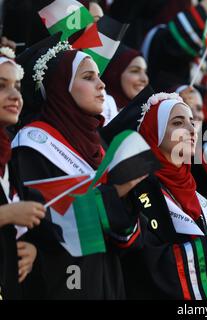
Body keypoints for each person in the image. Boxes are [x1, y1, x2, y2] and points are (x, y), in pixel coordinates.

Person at [11, 36, 145, 299]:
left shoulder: (100, 144)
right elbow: (45, 226)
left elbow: (124, 237)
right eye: (88, 77)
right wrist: (114, 192)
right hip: (63, 281)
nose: (101, 84)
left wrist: (128, 196)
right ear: (60, 86)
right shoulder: (32, 145)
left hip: (107, 278)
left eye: (99, 76)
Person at [120, 92, 207, 299]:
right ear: (153, 133)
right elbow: (145, 265)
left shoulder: (190, 186)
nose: (192, 130)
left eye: (192, 122)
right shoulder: (136, 188)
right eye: (178, 123)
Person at [0, 55, 45, 300]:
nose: (15, 96)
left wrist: (32, 248)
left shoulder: (8, 157)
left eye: (17, 87)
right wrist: (6, 215)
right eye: (1, 85)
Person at [102, 45, 149, 111]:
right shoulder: (100, 114)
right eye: (135, 71)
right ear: (115, 74)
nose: (145, 79)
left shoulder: (147, 112)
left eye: (145, 72)